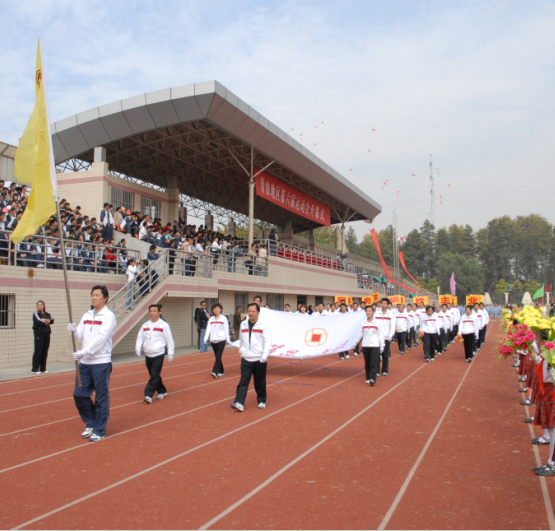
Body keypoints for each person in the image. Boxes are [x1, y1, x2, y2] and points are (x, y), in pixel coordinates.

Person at [68, 285, 117, 442]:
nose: (94, 297)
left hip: (100, 362)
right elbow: (79, 334)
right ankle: (91, 422)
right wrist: (73, 331)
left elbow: (101, 339)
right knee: (79, 394)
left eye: (97, 295)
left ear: (105, 298)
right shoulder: (87, 315)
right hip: (85, 363)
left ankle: (99, 429)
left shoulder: (108, 316)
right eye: (92, 295)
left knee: (101, 397)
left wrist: (83, 352)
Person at [231, 303, 272, 412]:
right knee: (243, 381)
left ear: (258, 312)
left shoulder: (263, 325)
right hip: (246, 358)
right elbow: (241, 339)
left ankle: (261, 400)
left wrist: (264, 355)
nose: (251, 313)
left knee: (259, 382)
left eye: (253, 311)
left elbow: (267, 341)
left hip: (259, 359)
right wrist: (241, 351)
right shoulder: (243, 324)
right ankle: (239, 402)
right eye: (249, 311)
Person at [135, 304, 175, 403]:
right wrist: (137, 348)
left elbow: (169, 339)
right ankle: (162, 391)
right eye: (150, 311)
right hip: (148, 353)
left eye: (154, 311)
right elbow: (140, 337)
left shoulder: (163, 325)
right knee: (154, 375)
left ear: (159, 312)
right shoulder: (145, 325)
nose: (152, 313)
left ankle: (148, 395)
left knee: (154, 374)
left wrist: (170, 353)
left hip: (159, 353)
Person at [353, 305, 384, 386]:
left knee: (374, 363)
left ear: (373, 312)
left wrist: (382, 345)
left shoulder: (377, 322)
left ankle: (372, 379)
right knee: (367, 363)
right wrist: (354, 344)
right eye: (367, 311)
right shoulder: (363, 323)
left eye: (370, 311)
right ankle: (368, 378)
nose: (368, 312)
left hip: (375, 345)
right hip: (365, 345)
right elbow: (359, 334)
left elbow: (381, 335)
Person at [205, 303, 230, 378]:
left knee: (218, 355)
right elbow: (208, 329)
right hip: (213, 340)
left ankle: (215, 372)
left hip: (221, 339)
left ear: (220, 309)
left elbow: (226, 329)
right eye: (214, 309)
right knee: (217, 356)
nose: (216, 310)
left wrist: (228, 339)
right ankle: (221, 371)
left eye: (217, 309)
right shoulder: (211, 319)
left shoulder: (223, 318)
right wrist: (205, 338)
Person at [32, 301, 54, 374]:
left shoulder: (47, 314)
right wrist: (47, 321)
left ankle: (43, 368)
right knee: (38, 351)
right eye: (38, 305)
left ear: (43, 306)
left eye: (41, 305)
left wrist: (46, 320)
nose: (39, 306)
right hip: (39, 335)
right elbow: (39, 322)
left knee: (45, 351)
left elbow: (52, 320)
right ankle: (35, 369)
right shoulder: (35, 314)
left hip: (46, 335)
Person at [374, 298, 395, 376]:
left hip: (386, 337)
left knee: (385, 355)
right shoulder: (376, 313)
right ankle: (377, 370)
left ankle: (385, 370)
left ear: (388, 304)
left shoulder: (391, 314)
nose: (383, 305)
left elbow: (392, 326)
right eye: (382, 303)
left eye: (385, 303)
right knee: (376, 354)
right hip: (377, 337)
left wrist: (391, 335)